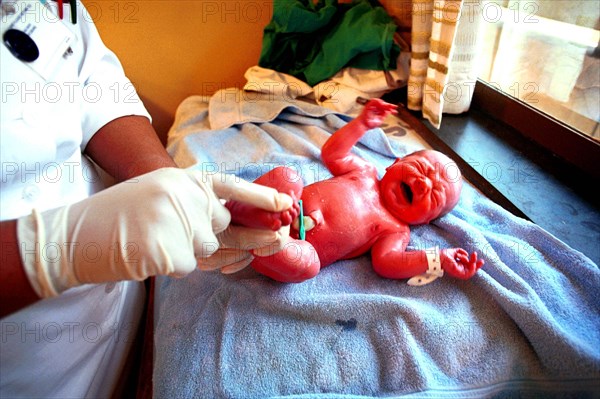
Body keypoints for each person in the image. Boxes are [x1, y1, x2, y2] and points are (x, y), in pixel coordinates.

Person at [0, 1, 293, 397]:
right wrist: (49, 253)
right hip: (28, 370)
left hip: (117, 317)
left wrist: (162, 178)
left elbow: (92, 84)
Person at [223, 99, 484, 285]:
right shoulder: (365, 172)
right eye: (421, 169)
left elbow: (388, 263)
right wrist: (361, 124)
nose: (424, 184)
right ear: (395, 163)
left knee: (308, 264)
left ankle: (261, 243)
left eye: (435, 195)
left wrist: (437, 258)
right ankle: (239, 210)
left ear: (426, 221)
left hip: (289, 248)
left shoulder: (395, 230)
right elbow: (332, 153)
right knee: (287, 177)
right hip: (277, 208)